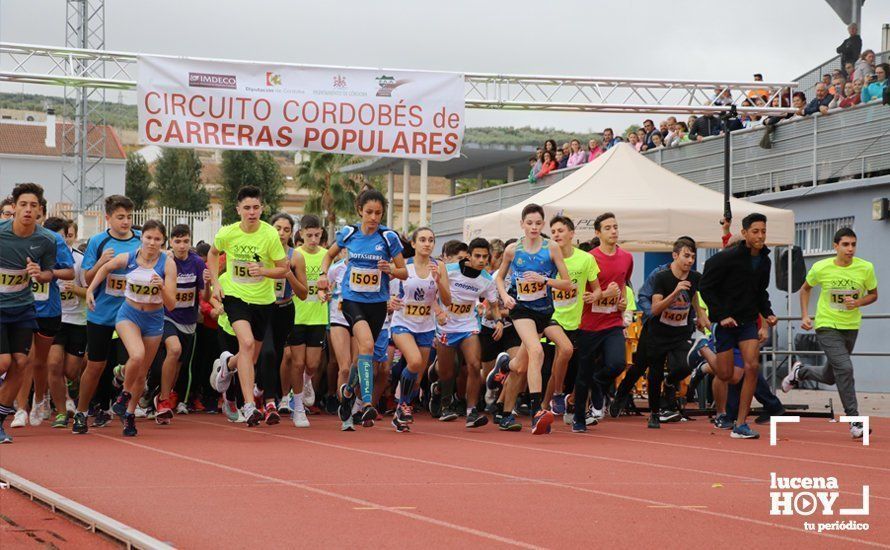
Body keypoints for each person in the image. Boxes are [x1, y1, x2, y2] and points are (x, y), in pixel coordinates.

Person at [318, 189, 407, 428]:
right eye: (369, 212)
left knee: (362, 358)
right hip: (351, 300)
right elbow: (327, 257)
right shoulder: (349, 234)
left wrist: (389, 269)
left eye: (378, 213)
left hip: (377, 304)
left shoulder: (389, 238)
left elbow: (404, 272)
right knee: (367, 345)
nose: (373, 217)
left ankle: (347, 393)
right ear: (359, 210)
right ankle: (366, 404)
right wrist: (322, 276)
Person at [783, 227, 878, 439]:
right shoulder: (821, 267)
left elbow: (873, 295)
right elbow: (805, 289)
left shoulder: (866, 268)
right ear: (836, 246)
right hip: (827, 325)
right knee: (845, 368)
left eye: (853, 244)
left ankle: (800, 372)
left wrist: (859, 302)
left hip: (851, 327)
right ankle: (855, 421)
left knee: (831, 376)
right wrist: (805, 315)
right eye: (845, 244)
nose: (850, 248)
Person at [86, 220, 177, 437]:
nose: (152, 243)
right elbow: (105, 268)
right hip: (129, 315)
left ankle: (128, 414)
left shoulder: (167, 264)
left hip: (154, 319)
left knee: (141, 373)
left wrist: (161, 286)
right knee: (137, 355)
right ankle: (124, 394)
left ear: (163, 241)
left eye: (157, 239)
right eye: (148, 238)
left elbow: (171, 303)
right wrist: (90, 289)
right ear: (141, 237)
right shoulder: (129, 257)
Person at [208, 185, 289, 427]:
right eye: (247, 208)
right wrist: (215, 283)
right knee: (246, 343)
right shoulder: (228, 233)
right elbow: (213, 254)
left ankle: (226, 366)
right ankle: (250, 405)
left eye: (255, 207)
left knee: (249, 358)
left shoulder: (269, 235)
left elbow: (283, 268)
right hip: (236, 296)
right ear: (238, 210)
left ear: (262, 208)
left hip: (263, 301)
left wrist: (263, 270)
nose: (252, 212)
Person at [491, 204, 572, 434]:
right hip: (521, 310)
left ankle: (505, 365)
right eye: (530, 223)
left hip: (544, 312)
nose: (534, 227)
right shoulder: (512, 250)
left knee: (521, 365)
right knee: (537, 351)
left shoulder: (552, 248)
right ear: (522, 224)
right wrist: (505, 296)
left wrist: (544, 280)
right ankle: (538, 413)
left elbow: (567, 283)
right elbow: (499, 278)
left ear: (543, 225)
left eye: (538, 223)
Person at [700, 213, 777, 439]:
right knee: (728, 375)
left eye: (763, 231)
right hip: (726, 323)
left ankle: (741, 424)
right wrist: (721, 315)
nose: (760, 235)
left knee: (752, 367)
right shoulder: (726, 258)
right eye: (755, 231)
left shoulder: (765, 260)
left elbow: (760, 292)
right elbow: (705, 286)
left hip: (747, 322)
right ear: (744, 233)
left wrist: (768, 313)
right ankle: (703, 348)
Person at [72, 195, 142, 434]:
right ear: (108, 218)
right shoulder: (98, 241)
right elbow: (87, 278)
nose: (126, 222)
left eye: (129, 217)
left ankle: (127, 412)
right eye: (120, 217)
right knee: (95, 366)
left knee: (135, 362)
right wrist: (102, 261)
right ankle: (81, 412)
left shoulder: (141, 240)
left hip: (132, 314)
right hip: (101, 312)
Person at [0, 183, 57, 444]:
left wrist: (39, 273)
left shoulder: (46, 240)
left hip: (23, 307)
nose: (27, 210)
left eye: (33, 205)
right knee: (3, 362)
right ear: (14, 208)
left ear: (39, 210)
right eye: (23, 204)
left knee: (22, 364)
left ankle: (0, 422)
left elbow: (48, 273)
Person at [632, 238, 708, 428]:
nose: (690, 260)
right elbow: (656, 308)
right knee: (653, 373)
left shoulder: (695, 277)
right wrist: (675, 293)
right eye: (686, 256)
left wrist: (700, 315)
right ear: (675, 255)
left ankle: (670, 381)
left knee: (686, 364)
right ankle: (655, 413)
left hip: (680, 332)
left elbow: (694, 296)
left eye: (693, 257)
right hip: (658, 332)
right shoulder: (662, 277)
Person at [9, 213, 75, 429]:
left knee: (40, 362)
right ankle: (20, 409)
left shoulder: (53, 240)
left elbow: (69, 272)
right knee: (23, 360)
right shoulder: (10, 239)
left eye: (36, 212)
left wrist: (47, 273)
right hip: (22, 307)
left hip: (49, 310)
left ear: (42, 216)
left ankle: (39, 399)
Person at [571, 213, 632, 428]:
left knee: (618, 363)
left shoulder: (626, 257)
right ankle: (579, 418)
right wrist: (605, 294)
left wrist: (622, 301)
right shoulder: (589, 259)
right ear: (598, 233)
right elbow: (583, 294)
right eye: (608, 228)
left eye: (615, 226)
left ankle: (598, 382)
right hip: (589, 324)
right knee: (582, 374)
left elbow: (622, 283)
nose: (613, 231)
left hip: (613, 322)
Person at [389, 227, 451, 432]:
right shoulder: (403, 265)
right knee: (414, 361)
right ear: (413, 244)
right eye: (422, 240)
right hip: (402, 323)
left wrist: (438, 280)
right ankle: (402, 405)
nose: (427, 243)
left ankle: (401, 408)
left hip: (425, 326)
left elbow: (447, 300)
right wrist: (388, 301)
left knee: (416, 381)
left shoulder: (439, 266)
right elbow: (382, 286)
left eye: (431, 240)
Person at [544, 215, 599, 428]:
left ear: (571, 234)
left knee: (573, 366)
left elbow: (596, 289)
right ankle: (558, 394)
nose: (557, 234)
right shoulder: (547, 259)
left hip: (577, 322)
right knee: (565, 351)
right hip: (551, 317)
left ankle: (544, 407)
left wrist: (595, 296)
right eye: (554, 231)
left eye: (561, 230)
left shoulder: (585, 259)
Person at [153, 224, 209, 424]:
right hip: (167, 316)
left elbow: (205, 296)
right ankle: (164, 400)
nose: (182, 246)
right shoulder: (166, 261)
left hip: (189, 321)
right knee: (174, 350)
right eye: (177, 241)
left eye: (185, 241)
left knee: (177, 365)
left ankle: (160, 394)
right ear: (171, 243)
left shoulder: (197, 263)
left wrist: (209, 285)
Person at [47, 219, 88, 428]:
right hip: (54, 318)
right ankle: (61, 412)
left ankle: (72, 391)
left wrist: (75, 290)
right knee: (53, 365)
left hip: (78, 320)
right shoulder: (41, 259)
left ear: (67, 237)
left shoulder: (80, 261)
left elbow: (90, 291)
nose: (58, 239)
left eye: (62, 235)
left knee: (71, 371)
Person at [286, 214, 325, 428]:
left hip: (318, 316)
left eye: (316, 235)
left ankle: (307, 382)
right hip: (297, 316)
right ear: (301, 234)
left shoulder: (327, 256)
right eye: (308, 235)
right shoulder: (295, 256)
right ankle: (298, 408)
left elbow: (333, 284)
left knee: (313, 364)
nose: (313, 239)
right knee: (298, 362)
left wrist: (327, 293)